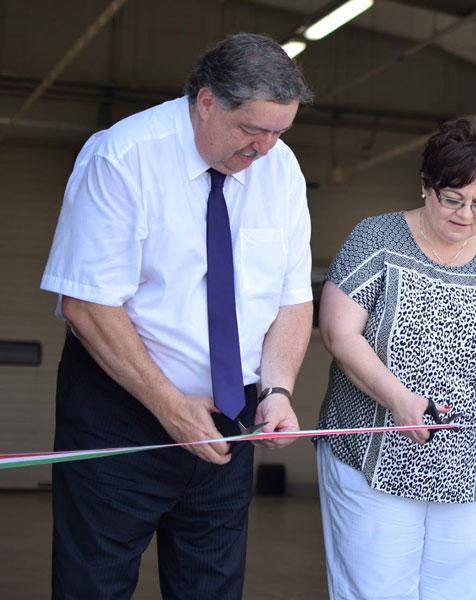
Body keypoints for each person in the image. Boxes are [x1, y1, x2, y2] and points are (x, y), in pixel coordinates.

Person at [40, 33, 313, 599]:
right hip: (121, 413)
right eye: (251, 130)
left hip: (226, 419)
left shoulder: (280, 170)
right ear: (206, 101)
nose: (264, 149)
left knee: (210, 588)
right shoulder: (122, 156)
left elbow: (292, 298)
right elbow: (87, 302)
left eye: (278, 132)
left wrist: (278, 391)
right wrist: (170, 408)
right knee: (95, 584)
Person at [315, 116, 476, 600]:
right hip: (373, 461)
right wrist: (398, 399)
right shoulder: (377, 239)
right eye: (453, 199)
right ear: (425, 185)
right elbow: (339, 332)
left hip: (466, 472)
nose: (466, 215)